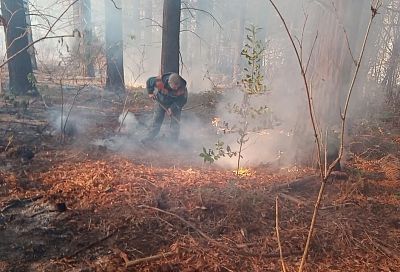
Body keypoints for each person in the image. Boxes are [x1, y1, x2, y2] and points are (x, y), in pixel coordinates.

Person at [141, 72, 188, 144]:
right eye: (174, 86)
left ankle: (173, 142)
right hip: (161, 102)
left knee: (175, 123)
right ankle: (149, 138)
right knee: (157, 121)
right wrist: (150, 92)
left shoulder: (182, 88)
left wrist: (172, 108)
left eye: (177, 86)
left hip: (174, 104)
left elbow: (182, 101)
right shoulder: (160, 81)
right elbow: (149, 81)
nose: (176, 88)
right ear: (169, 83)